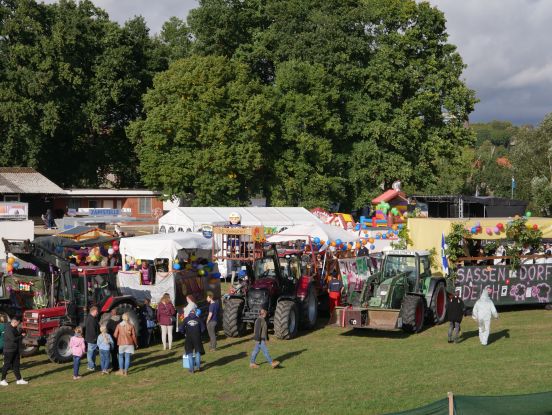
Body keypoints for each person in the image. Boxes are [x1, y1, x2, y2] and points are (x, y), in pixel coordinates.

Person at [0, 317, 28, 386]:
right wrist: (21, 336)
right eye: (18, 323)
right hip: (9, 350)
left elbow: (16, 335)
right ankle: (2, 380)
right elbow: (13, 339)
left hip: (15, 349)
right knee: (7, 365)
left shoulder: (13, 328)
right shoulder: (8, 329)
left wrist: (21, 332)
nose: (18, 325)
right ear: (15, 322)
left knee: (16, 365)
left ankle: (19, 379)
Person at [180, 309, 205, 374]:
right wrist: (200, 333)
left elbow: (181, 328)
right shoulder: (199, 319)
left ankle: (191, 369)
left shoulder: (186, 319)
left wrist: (184, 333)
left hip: (188, 338)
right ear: (195, 313)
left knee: (190, 353)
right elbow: (203, 329)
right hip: (197, 338)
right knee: (197, 352)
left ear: (189, 313)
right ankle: (198, 367)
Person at [85, 306, 100, 371]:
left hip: (91, 339)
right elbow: (92, 330)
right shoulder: (91, 319)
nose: (97, 313)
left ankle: (92, 365)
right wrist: (95, 338)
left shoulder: (91, 318)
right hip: (92, 339)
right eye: (96, 312)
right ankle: (90, 366)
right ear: (93, 311)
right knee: (90, 353)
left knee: (92, 353)